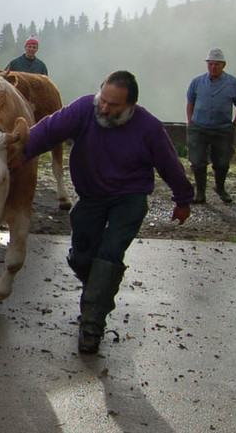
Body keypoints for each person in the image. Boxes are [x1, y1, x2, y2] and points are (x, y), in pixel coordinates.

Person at [16, 70, 193, 354]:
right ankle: (98, 291)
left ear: (131, 105)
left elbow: (170, 164)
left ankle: (92, 325)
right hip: (91, 197)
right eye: (103, 100)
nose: (105, 108)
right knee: (82, 257)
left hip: (129, 199)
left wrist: (183, 199)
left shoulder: (148, 127)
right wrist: (15, 154)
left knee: (110, 254)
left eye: (114, 105)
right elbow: (46, 132)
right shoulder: (84, 109)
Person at [186, 48, 236, 205]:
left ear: (223, 65)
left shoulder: (233, 83)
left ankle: (220, 188)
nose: (213, 67)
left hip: (222, 128)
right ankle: (200, 192)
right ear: (207, 64)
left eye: (217, 64)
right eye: (211, 64)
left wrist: (234, 124)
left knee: (222, 162)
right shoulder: (197, 82)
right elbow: (190, 102)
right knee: (197, 161)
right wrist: (190, 122)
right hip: (199, 126)